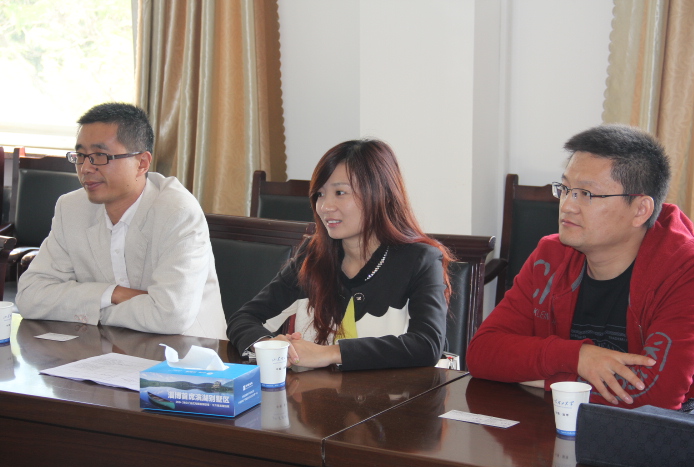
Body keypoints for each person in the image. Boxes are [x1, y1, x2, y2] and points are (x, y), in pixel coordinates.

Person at [467, 124, 694, 410]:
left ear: (640, 210)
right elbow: (482, 354)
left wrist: (546, 380)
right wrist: (578, 357)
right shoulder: (550, 256)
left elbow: (654, 398)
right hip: (556, 425)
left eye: (586, 194)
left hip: (672, 434)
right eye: (565, 189)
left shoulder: (690, 272)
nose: (567, 205)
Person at [226, 139, 453, 370]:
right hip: (319, 392)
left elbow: (427, 345)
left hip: (397, 393)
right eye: (320, 194)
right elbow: (244, 318)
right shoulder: (313, 256)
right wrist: (270, 346)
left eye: (340, 192)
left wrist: (329, 353)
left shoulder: (420, 260)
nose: (325, 206)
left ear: (380, 194)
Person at [16, 102, 226, 339]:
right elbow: (29, 296)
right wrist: (113, 294)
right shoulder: (71, 208)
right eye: (81, 156)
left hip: (184, 351)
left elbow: (170, 316)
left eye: (100, 156)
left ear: (142, 163)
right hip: (102, 347)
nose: (85, 168)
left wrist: (89, 309)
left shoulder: (178, 212)